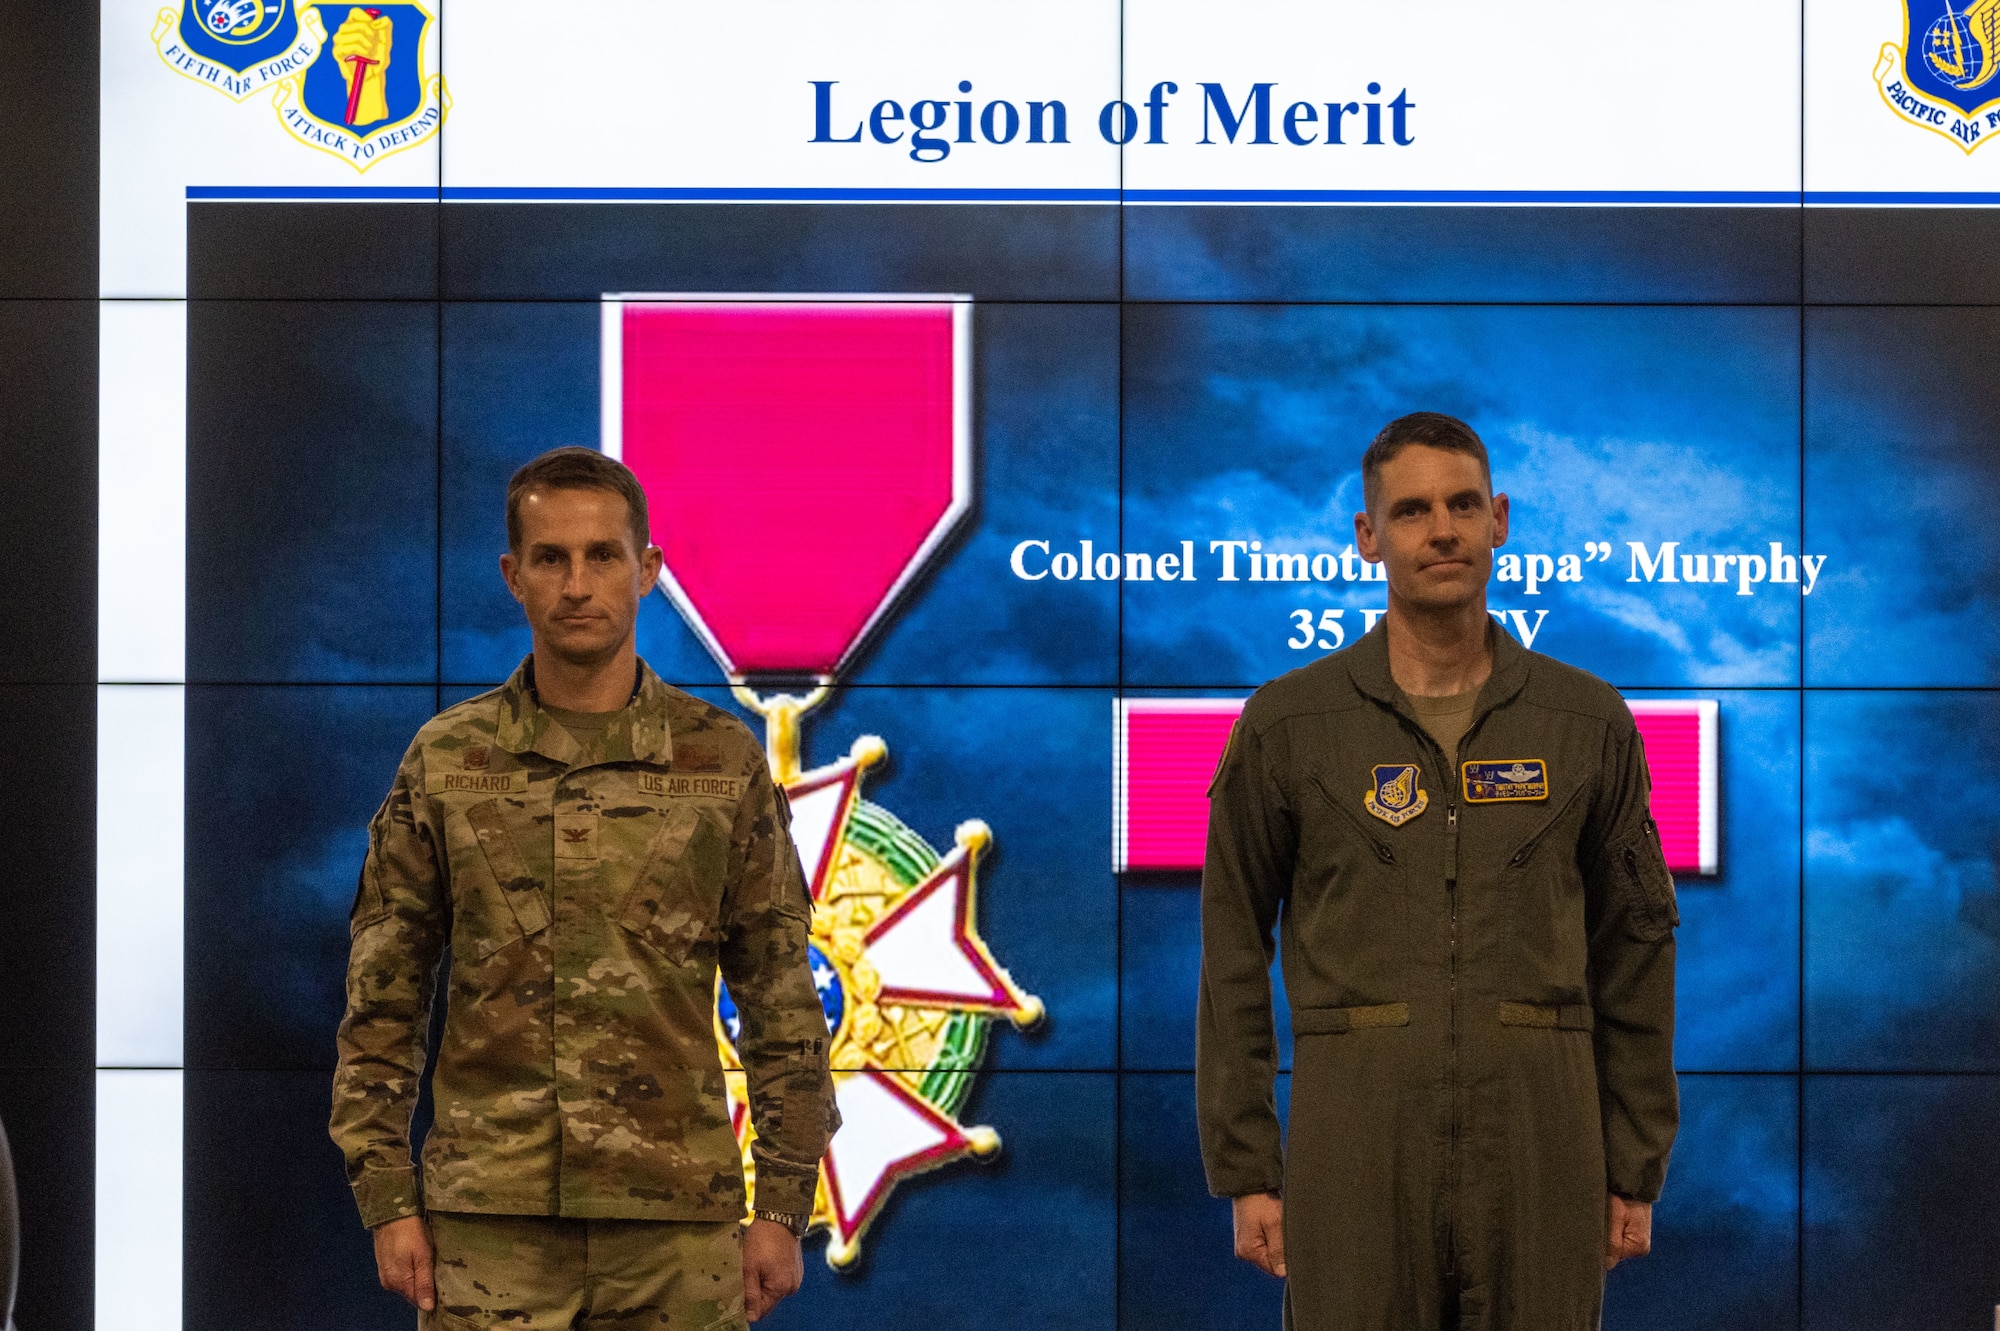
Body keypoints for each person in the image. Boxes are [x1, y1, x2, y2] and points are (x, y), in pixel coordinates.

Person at [331, 447, 836, 1329]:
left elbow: (782, 995)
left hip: (678, 1230)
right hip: (490, 1227)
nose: (577, 583)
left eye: (603, 555)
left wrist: (784, 1204)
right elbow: (384, 994)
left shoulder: (721, 762)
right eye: (550, 558)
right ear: (512, 576)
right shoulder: (448, 760)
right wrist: (386, 1193)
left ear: (647, 571)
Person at [1197, 413, 1678, 1331]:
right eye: (1412, 511)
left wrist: (1633, 1159)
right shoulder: (1289, 727)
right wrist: (1249, 1165)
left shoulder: (1587, 724)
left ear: (1500, 518)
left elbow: (1637, 951)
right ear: (1369, 537)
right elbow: (1229, 951)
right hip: (1355, 1140)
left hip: (1544, 1139)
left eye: (1463, 504)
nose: (1443, 530)